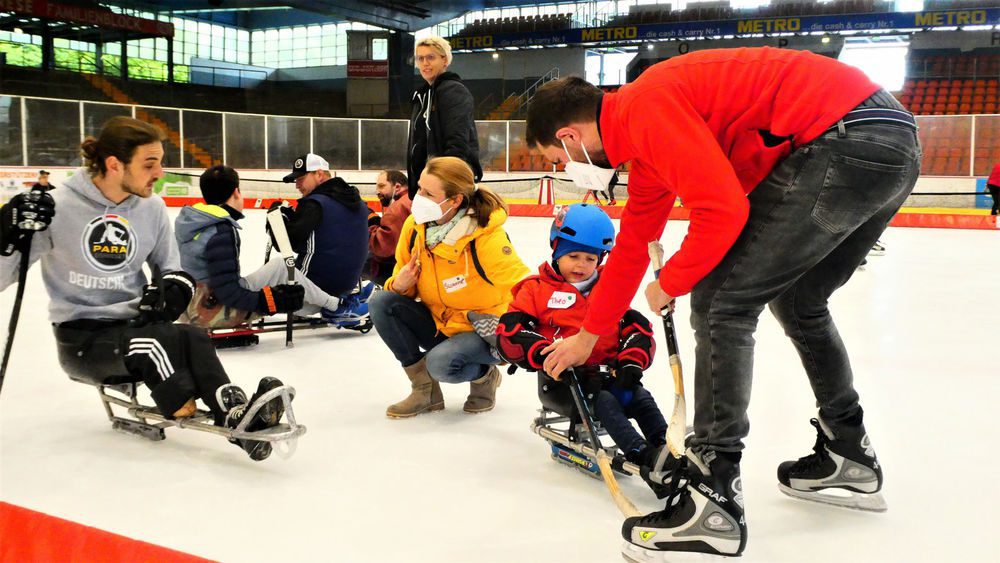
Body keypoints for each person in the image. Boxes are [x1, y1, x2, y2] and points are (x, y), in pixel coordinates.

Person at [525, 48, 920, 557]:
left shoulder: (646, 107)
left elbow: (721, 209)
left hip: (845, 138)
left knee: (719, 304)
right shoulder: (644, 139)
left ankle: (712, 496)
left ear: (570, 137)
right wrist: (588, 335)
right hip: (888, 139)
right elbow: (629, 248)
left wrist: (674, 281)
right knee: (800, 302)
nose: (565, 170)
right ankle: (850, 450)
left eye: (557, 161)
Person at [0, 116, 292, 461]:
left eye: (160, 163)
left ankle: (237, 412)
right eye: (149, 164)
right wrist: (6, 235)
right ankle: (182, 403)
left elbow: (174, 270)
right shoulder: (59, 208)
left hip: (134, 328)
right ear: (114, 164)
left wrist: (172, 292)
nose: (160, 173)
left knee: (192, 335)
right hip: (83, 339)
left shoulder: (150, 208)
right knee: (153, 343)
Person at [497, 204, 666, 475]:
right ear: (556, 250)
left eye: (591, 258)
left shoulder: (609, 289)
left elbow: (636, 328)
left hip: (608, 375)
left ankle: (664, 444)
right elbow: (510, 333)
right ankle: (640, 451)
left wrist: (630, 363)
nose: (581, 265)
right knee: (605, 402)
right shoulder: (535, 290)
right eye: (573, 255)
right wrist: (544, 353)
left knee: (639, 396)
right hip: (562, 382)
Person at [370, 156, 529, 418]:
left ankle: (484, 376)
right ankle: (425, 391)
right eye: (419, 188)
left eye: (428, 193)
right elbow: (400, 276)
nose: (417, 197)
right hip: (440, 320)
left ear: (454, 200)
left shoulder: (485, 236)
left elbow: (520, 282)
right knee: (381, 301)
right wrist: (399, 284)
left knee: (440, 364)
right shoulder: (414, 228)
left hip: (480, 329)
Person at [175, 165, 367, 328]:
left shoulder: (195, 220)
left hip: (191, 306)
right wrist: (270, 301)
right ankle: (337, 306)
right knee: (282, 268)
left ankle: (333, 303)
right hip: (209, 312)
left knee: (280, 271)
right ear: (236, 192)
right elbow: (229, 292)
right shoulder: (220, 230)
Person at [275, 153, 373, 314]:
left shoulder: (314, 204)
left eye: (301, 178)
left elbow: (285, 245)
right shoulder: (357, 201)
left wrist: (278, 221)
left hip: (313, 290)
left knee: (274, 270)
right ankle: (344, 302)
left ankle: (336, 307)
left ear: (319, 174)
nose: (297, 185)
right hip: (348, 284)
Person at [406, 35, 482, 200]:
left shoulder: (453, 91)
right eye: (420, 58)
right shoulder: (422, 95)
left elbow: (457, 142)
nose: (425, 63)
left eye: (431, 57)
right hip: (426, 186)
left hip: (445, 188)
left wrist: (447, 185)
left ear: (445, 60)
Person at [367, 170, 412, 286]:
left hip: (400, 269)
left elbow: (382, 248)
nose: (377, 192)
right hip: (411, 264)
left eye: (382, 186)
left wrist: (371, 224)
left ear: (397, 187)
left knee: (359, 260)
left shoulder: (397, 208)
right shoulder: (410, 200)